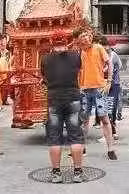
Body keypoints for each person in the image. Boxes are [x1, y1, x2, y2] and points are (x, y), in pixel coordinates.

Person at [41, 31, 86, 184]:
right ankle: (78, 172)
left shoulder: (45, 59)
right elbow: (78, 72)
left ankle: (56, 173)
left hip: (54, 100)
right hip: (73, 98)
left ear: (52, 43)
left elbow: (44, 77)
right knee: (75, 136)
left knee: (55, 138)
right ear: (66, 42)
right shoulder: (75, 56)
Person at [77, 28, 117, 160]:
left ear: (90, 39)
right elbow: (80, 70)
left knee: (104, 118)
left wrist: (109, 81)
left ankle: (110, 149)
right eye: (82, 41)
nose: (84, 43)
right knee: (84, 120)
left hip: (99, 88)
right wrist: (79, 86)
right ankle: (82, 148)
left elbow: (109, 63)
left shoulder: (98, 48)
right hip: (85, 89)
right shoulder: (81, 52)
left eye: (86, 40)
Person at [106, 40, 123, 139]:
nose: (105, 48)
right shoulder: (103, 54)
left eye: (106, 46)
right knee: (106, 108)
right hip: (105, 84)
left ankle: (113, 130)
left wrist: (114, 71)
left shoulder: (114, 55)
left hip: (114, 83)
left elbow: (120, 66)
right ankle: (109, 131)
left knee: (112, 107)